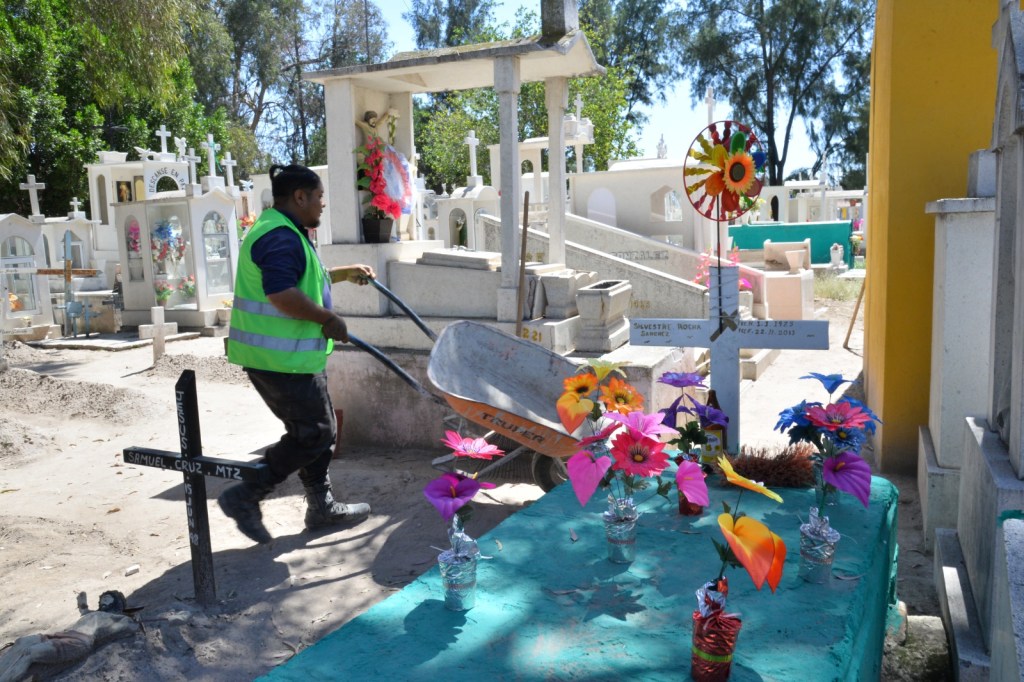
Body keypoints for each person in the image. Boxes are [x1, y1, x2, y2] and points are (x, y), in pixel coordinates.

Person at [220, 163, 374, 544]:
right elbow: (281, 294)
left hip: (288, 357)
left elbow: (300, 276)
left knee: (317, 431)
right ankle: (246, 493)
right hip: (280, 360)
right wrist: (328, 319)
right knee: (315, 433)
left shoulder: (285, 231)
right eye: (319, 197)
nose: (323, 205)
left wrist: (341, 273)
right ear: (299, 197)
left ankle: (321, 507)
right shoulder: (280, 237)